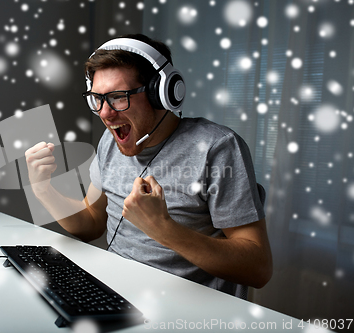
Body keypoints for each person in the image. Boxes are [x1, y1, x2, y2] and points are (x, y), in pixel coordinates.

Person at [24, 34, 272, 299]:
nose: (105, 113)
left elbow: (257, 268)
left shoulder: (217, 148)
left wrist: (163, 228)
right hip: (113, 297)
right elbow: (92, 223)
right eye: (97, 98)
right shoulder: (111, 140)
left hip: (183, 312)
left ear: (162, 93)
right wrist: (42, 189)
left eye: (118, 97)